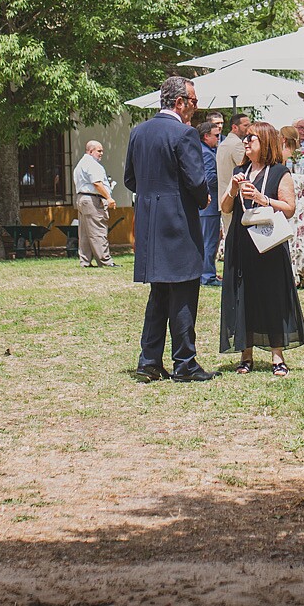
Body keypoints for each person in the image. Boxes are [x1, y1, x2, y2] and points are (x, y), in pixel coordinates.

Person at [125, 76, 216, 383]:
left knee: (159, 294)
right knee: (184, 292)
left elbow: (130, 180)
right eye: (193, 101)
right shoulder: (184, 133)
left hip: (149, 220)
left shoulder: (138, 132)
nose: (195, 107)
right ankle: (185, 363)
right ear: (179, 103)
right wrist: (202, 197)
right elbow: (195, 180)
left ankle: (149, 361)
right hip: (177, 222)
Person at [219, 121, 304, 375]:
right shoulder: (240, 170)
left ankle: (277, 356)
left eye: (251, 139)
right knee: (243, 295)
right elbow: (226, 208)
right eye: (245, 138)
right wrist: (234, 190)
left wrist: (263, 199)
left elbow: (289, 209)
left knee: (271, 296)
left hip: (268, 243)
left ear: (266, 142)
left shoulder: (280, 172)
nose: (246, 142)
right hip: (241, 241)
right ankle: (245, 355)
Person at [72, 140, 116, 267]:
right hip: (92, 200)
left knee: (85, 233)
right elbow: (97, 183)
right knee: (98, 230)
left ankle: (85, 261)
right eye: (99, 151)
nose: (101, 153)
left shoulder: (81, 164)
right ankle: (105, 261)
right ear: (90, 151)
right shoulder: (92, 164)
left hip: (82, 199)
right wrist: (109, 198)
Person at [193, 112, 224, 286]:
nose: (219, 138)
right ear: (206, 136)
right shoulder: (206, 153)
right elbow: (210, 178)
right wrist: (226, 181)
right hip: (209, 206)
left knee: (207, 241)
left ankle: (204, 273)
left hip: (205, 206)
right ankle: (207, 276)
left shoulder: (204, 150)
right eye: (216, 136)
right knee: (209, 242)